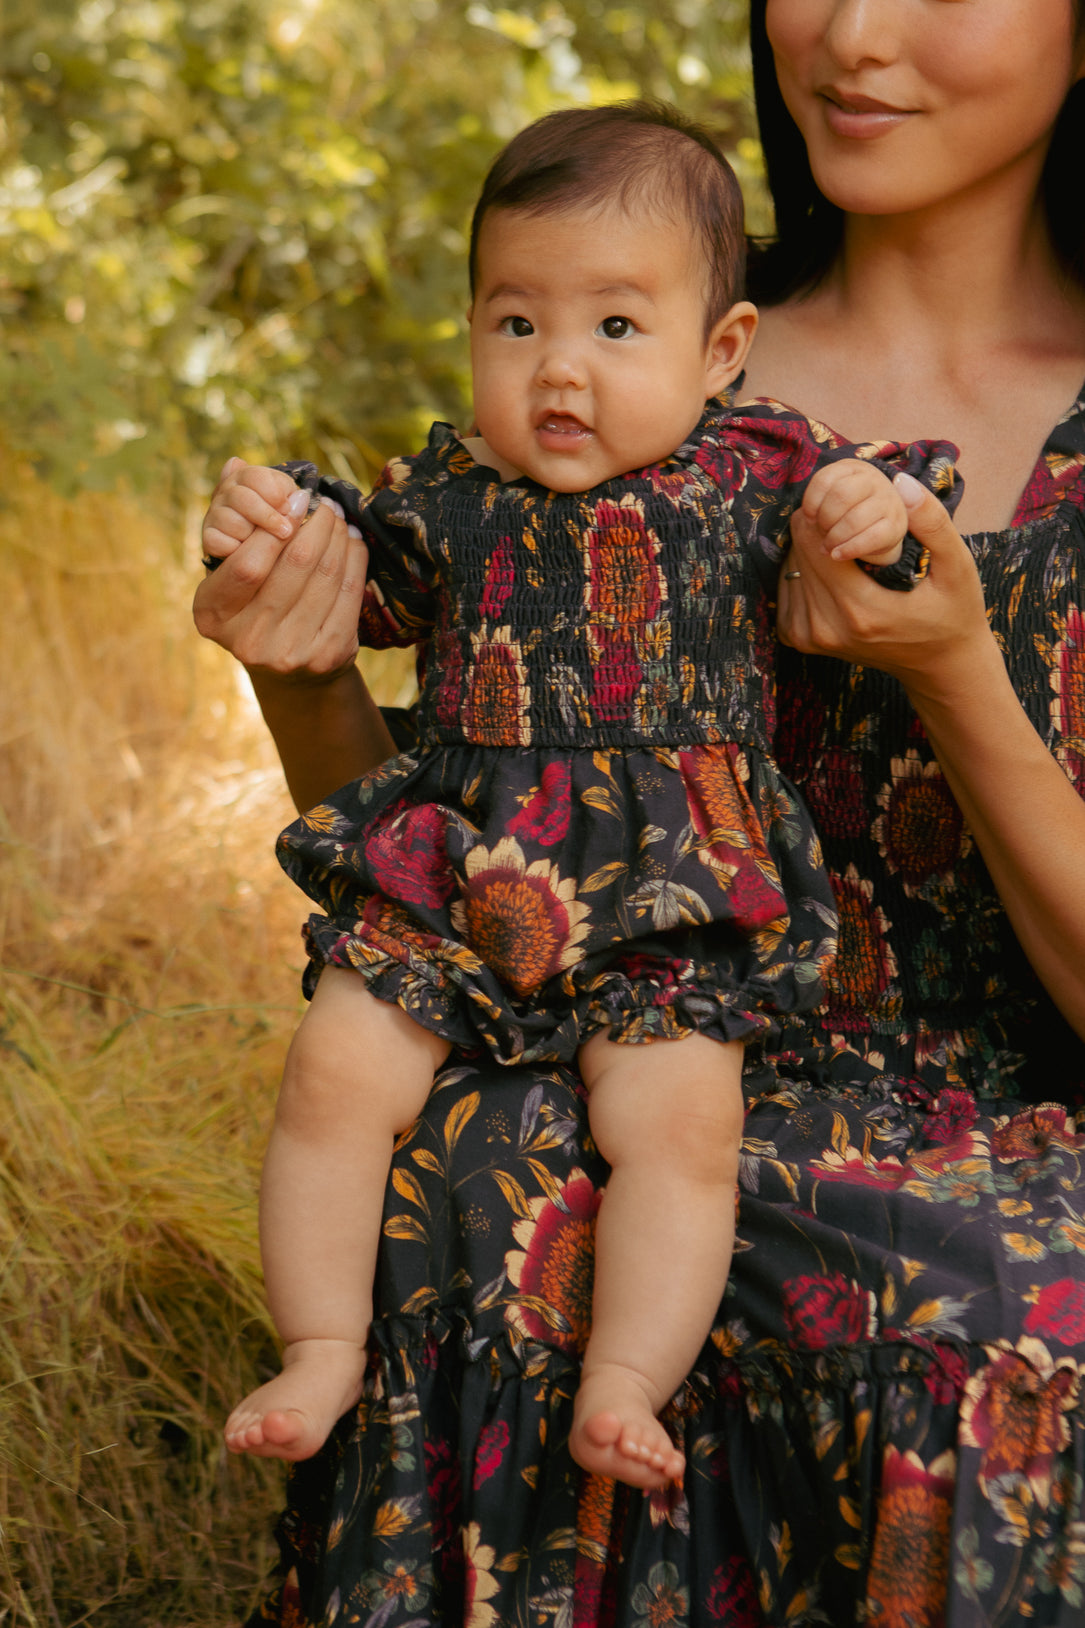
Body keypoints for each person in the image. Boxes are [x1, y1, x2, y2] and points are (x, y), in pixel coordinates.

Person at [192, 2, 1085, 1621]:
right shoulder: (612, 354)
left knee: (1004, 1306)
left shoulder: (779, 460)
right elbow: (461, 835)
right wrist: (298, 651)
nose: (858, 30)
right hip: (575, 1024)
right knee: (463, 1176)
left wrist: (954, 667)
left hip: (984, 1104)